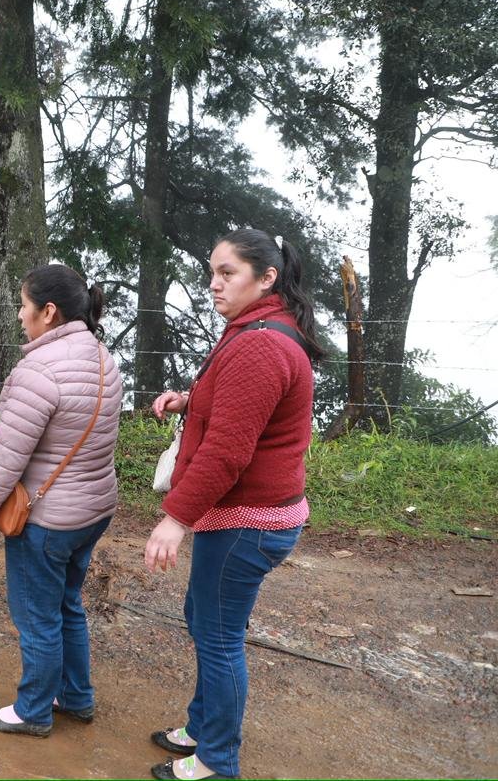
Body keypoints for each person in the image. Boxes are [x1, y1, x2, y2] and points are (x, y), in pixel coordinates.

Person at [143, 229, 322, 781]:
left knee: (219, 636)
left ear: (267, 277)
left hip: (248, 522)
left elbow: (226, 454)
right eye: (212, 272)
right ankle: (202, 726)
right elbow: (241, 402)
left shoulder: (260, 343)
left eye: (228, 273)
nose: (214, 285)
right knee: (205, 619)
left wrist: (175, 519)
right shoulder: (257, 331)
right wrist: (189, 400)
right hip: (249, 516)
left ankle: (218, 760)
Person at [0, 264, 122, 737]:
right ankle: (75, 695)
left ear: (48, 312)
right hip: (93, 509)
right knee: (67, 603)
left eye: (24, 307)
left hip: (48, 519)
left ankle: (33, 710)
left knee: (37, 617)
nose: (19, 317)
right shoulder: (101, 355)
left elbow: (4, 459)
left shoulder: (38, 370)